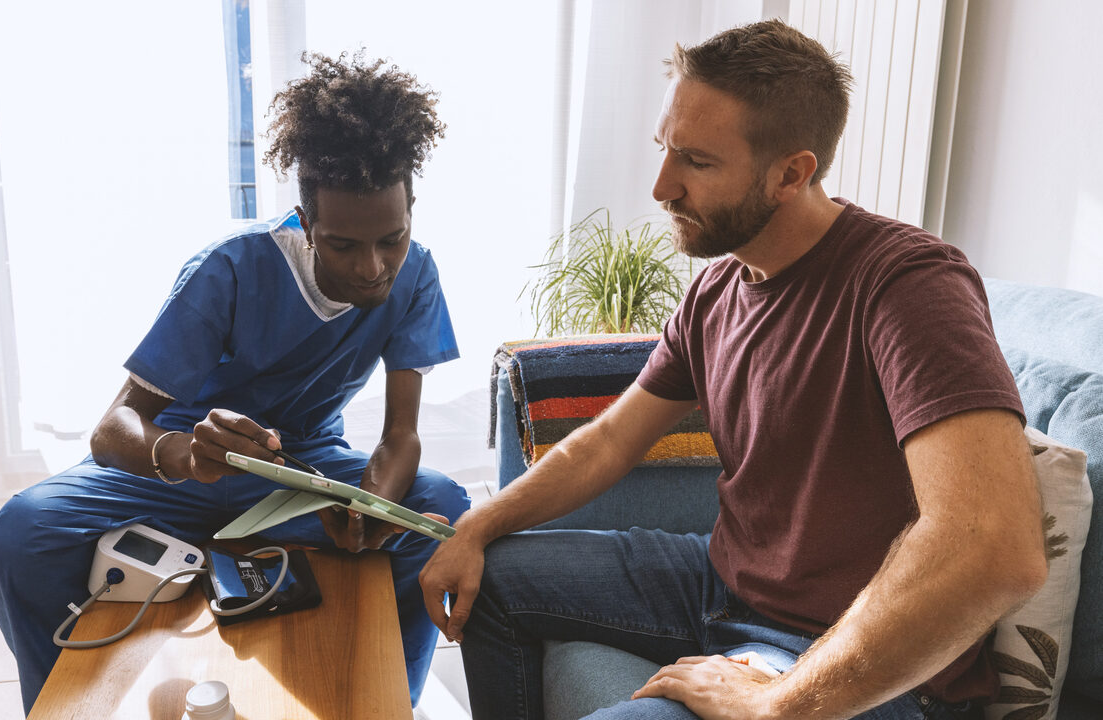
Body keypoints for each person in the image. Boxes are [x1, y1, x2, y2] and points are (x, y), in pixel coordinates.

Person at [420, 20, 1047, 720]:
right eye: (662, 149)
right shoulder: (717, 291)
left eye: (696, 162)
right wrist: (476, 526)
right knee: (490, 576)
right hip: (719, 583)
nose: (661, 187)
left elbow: (994, 547)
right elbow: (606, 442)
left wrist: (780, 703)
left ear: (791, 173)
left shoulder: (905, 284)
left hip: (845, 649)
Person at [0, 52, 469, 714]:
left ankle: (386, 700)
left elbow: (401, 432)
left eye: (392, 238)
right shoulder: (229, 270)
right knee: (17, 536)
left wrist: (369, 504)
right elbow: (111, 429)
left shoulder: (418, 275)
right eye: (343, 245)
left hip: (301, 467)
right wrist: (183, 456)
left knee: (438, 505)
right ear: (303, 221)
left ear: (411, 210)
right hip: (185, 460)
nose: (373, 267)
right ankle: (68, 705)